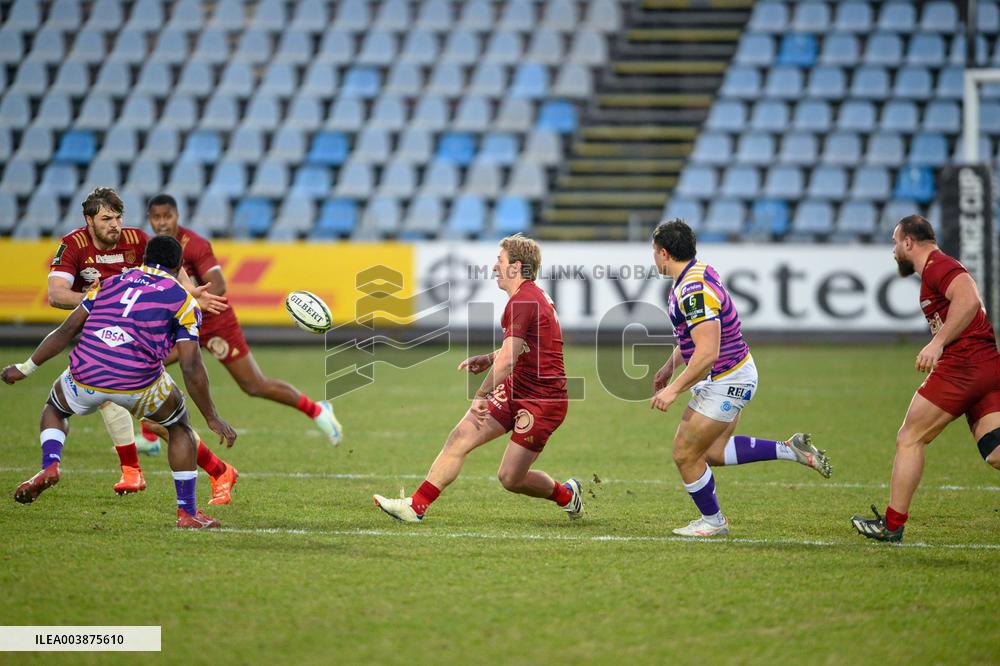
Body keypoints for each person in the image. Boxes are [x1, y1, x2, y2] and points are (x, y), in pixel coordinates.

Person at [4, 236, 238, 528]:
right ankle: (187, 513)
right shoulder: (183, 300)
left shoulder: (110, 283)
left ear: (143, 259)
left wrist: (25, 368)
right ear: (178, 265)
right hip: (138, 381)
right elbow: (191, 364)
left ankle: (50, 465)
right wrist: (212, 417)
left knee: (55, 407)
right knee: (178, 427)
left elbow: (65, 331)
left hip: (86, 372)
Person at [373, 234, 581, 522]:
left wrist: (481, 394)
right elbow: (522, 347)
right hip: (516, 388)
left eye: (500, 261)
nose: (494, 267)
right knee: (460, 437)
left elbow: (510, 359)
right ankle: (415, 506)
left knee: (510, 478)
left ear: (515, 266)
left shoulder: (523, 301)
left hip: (543, 402)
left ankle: (566, 495)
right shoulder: (530, 296)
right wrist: (489, 358)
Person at [46, 187, 235, 502]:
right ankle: (213, 472)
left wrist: (189, 291)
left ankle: (138, 470)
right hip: (104, 335)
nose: (115, 224)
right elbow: (56, 295)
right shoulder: (72, 246)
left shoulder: (136, 239)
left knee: (160, 418)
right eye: (107, 218)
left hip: (141, 339)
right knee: (157, 420)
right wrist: (99, 300)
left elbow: (170, 264)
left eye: (118, 217)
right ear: (89, 221)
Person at [649, 219, 831, 537]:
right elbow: (692, 338)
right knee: (712, 453)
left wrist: (674, 390)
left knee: (684, 453)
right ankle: (791, 449)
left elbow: (707, 354)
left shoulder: (693, 290)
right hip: (733, 372)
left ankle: (714, 522)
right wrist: (670, 366)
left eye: (653, 251)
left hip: (726, 377)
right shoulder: (695, 273)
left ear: (663, 253)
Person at [143, 194, 343, 475]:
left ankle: (318, 410)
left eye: (167, 216)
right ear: (149, 219)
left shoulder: (196, 245)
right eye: (156, 217)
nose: (162, 222)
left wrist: (192, 305)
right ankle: (148, 436)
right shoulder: (151, 247)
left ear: (177, 216)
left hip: (214, 322)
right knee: (146, 364)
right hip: (182, 323)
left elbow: (220, 285)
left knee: (253, 385)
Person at [852, 215, 1000, 542]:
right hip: (987, 365)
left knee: (910, 437)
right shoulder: (936, 269)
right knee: (995, 452)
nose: (893, 250)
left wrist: (938, 342)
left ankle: (892, 525)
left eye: (895, 242)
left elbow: (969, 299)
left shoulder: (938, 266)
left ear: (908, 242)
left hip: (964, 366)